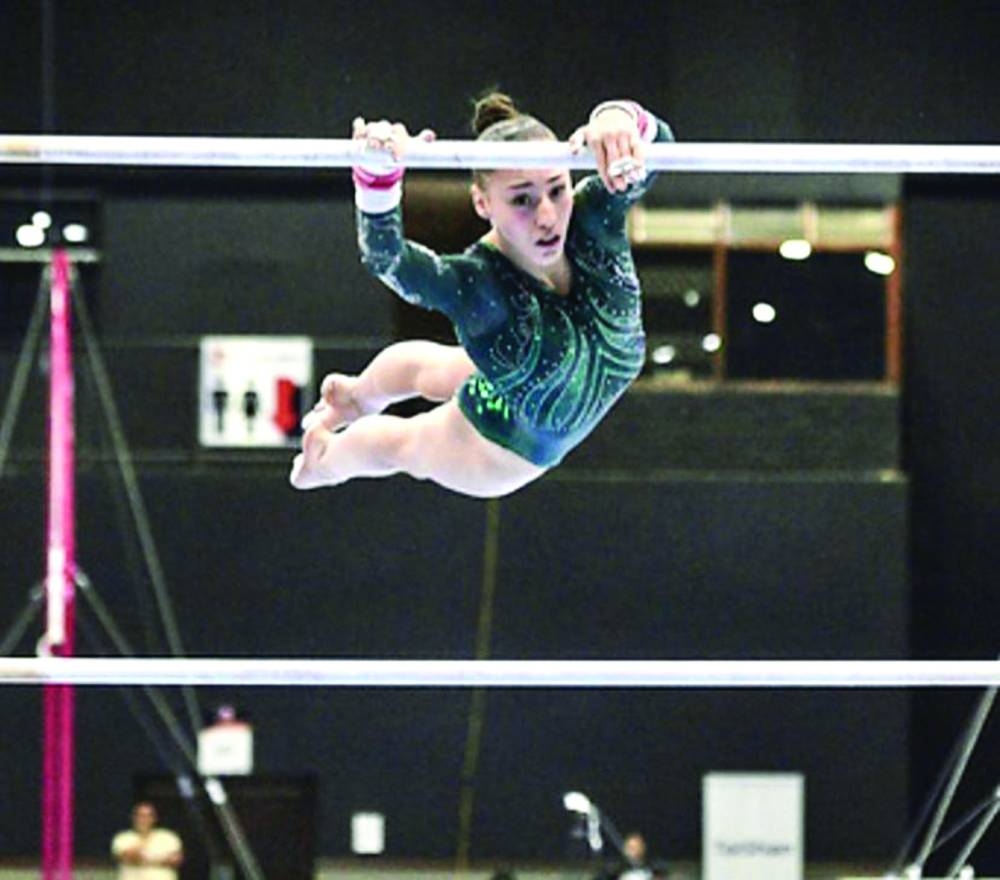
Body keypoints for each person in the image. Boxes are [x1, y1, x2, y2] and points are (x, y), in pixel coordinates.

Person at [290, 92, 674, 498]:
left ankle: (355, 395)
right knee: (402, 442)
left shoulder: (596, 215)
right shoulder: (477, 286)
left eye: (556, 190)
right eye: (522, 199)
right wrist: (376, 180)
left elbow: (661, 145)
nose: (546, 216)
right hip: (498, 447)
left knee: (442, 369)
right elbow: (388, 259)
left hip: (522, 380)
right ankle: (323, 460)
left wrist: (617, 118)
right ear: (482, 203)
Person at [110, 801, 184, 880]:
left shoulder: (168, 837)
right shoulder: (122, 838)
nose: (144, 819)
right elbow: (129, 857)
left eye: (148, 816)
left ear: (154, 818)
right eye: (140, 816)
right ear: (134, 818)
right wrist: (161, 859)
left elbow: (176, 860)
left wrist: (144, 859)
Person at [594, 832, 667, 880]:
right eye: (630, 847)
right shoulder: (616, 869)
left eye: (635, 847)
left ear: (642, 848)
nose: (632, 850)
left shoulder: (652, 867)